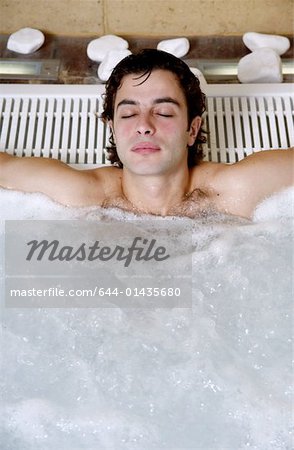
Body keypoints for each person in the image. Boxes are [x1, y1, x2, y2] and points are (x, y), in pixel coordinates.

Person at [0, 49, 293, 219]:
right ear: (112, 128)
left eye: (163, 112)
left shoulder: (231, 192)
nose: (144, 125)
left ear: (192, 129)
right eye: (128, 114)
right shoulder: (82, 197)